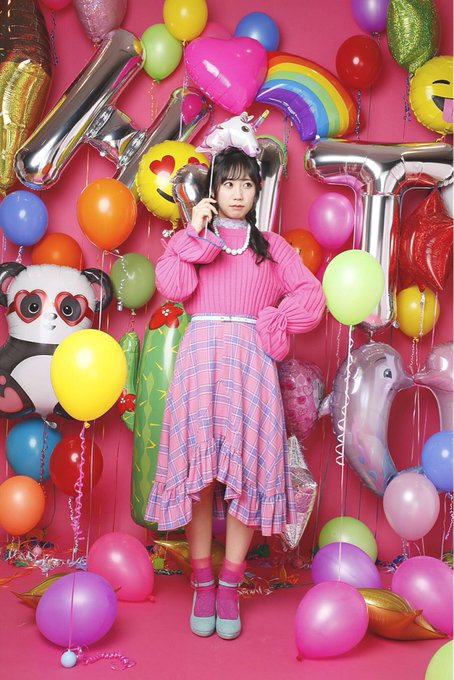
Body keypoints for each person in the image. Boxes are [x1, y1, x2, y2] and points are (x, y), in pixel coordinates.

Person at [145, 146, 325, 640]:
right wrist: (193, 232)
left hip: (251, 365)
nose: (238, 193)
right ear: (213, 190)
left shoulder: (272, 247)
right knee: (199, 476)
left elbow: (311, 296)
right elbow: (173, 286)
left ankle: (230, 583)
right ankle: (203, 581)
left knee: (246, 474)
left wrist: (277, 319)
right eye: (228, 183)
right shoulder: (194, 240)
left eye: (247, 184)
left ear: (258, 190)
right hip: (200, 363)